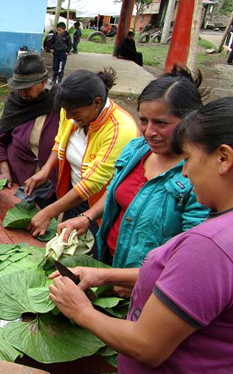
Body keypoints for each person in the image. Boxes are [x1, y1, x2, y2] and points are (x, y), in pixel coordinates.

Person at [49, 97, 233, 373]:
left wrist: (81, 312)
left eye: (189, 159)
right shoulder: (222, 229)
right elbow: (187, 284)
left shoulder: (208, 245)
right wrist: (105, 275)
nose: (184, 171)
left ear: (223, 158)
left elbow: (146, 346)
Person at [57, 67, 209, 268]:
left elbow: (187, 254)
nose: (149, 131)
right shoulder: (137, 150)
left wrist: (123, 279)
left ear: (189, 120)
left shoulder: (199, 176)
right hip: (108, 262)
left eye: (161, 123)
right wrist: (88, 216)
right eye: (144, 121)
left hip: (147, 282)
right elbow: (114, 190)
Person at [25, 69, 139, 238]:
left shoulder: (120, 129)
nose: (69, 117)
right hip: (74, 196)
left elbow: (94, 183)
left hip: (103, 207)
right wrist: (46, 169)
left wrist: (48, 212)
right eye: (66, 111)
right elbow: (60, 142)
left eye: (75, 113)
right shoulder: (70, 110)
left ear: (97, 103)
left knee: (91, 252)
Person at [0, 53, 59, 205]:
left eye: (27, 88)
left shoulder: (59, 102)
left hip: (49, 186)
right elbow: (0, 140)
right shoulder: (15, 103)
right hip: (16, 183)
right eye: (18, 88)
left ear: (43, 83)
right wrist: (4, 170)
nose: (22, 93)